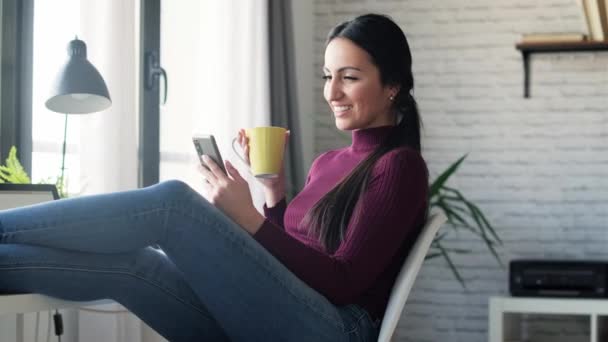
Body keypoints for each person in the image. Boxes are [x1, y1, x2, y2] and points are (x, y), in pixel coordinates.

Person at [0, 13, 427, 342]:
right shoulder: (328, 162)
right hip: (293, 313)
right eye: (327, 76)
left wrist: (249, 220)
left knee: (172, 204)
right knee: (136, 267)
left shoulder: (399, 167)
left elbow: (342, 281)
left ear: (391, 85)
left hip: (333, 329)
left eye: (349, 78)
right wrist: (273, 196)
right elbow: (295, 259)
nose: (331, 92)